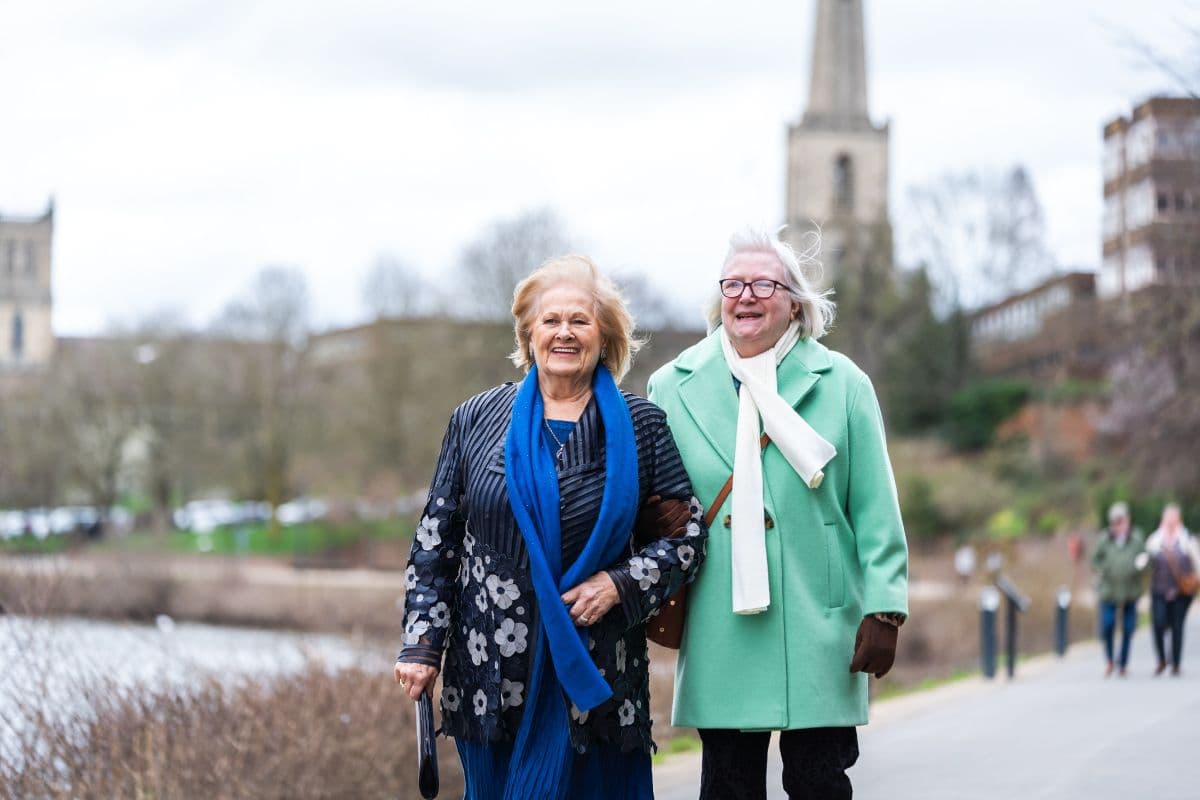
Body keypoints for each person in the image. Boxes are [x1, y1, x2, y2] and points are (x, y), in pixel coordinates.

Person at [394, 255, 707, 800]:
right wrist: (422, 645)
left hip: (598, 680)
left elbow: (686, 538)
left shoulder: (642, 424)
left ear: (604, 335)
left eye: (580, 321)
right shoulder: (475, 420)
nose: (564, 332)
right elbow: (435, 544)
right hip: (489, 677)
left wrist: (620, 584)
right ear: (528, 333)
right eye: (551, 320)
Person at [648, 227, 908, 800]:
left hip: (819, 617)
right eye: (733, 284)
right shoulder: (671, 386)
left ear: (794, 301)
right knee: (728, 786)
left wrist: (886, 609)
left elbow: (875, 507)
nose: (746, 296)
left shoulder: (844, 384)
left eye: (763, 284)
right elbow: (650, 507)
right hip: (720, 619)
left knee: (819, 782)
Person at [1089, 502, 1147, 677]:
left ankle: (1123, 662)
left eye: (1121, 521)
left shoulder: (1136, 539)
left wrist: (1140, 567)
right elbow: (1094, 560)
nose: (1119, 525)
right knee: (1107, 625)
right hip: (1109, 590)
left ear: (1127, 521)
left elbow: (1145, 559)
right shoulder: (1104, 539)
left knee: (1128, 628)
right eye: (1115, 522)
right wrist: (1104, 569)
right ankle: (1109, 660)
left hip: (1130, 589)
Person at [1145, 503, 1200, 676]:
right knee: (1158, 623)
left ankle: (1175, 662)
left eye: (1173, 518)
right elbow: (1146, 561)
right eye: (1167, 518)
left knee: (1177, 626)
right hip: (1159, 589)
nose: (1170, 522)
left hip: (1181, 592)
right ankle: (1161, 659)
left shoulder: (1186, 538)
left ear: (1178, 519)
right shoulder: (1155, 540)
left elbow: (1197, 561)